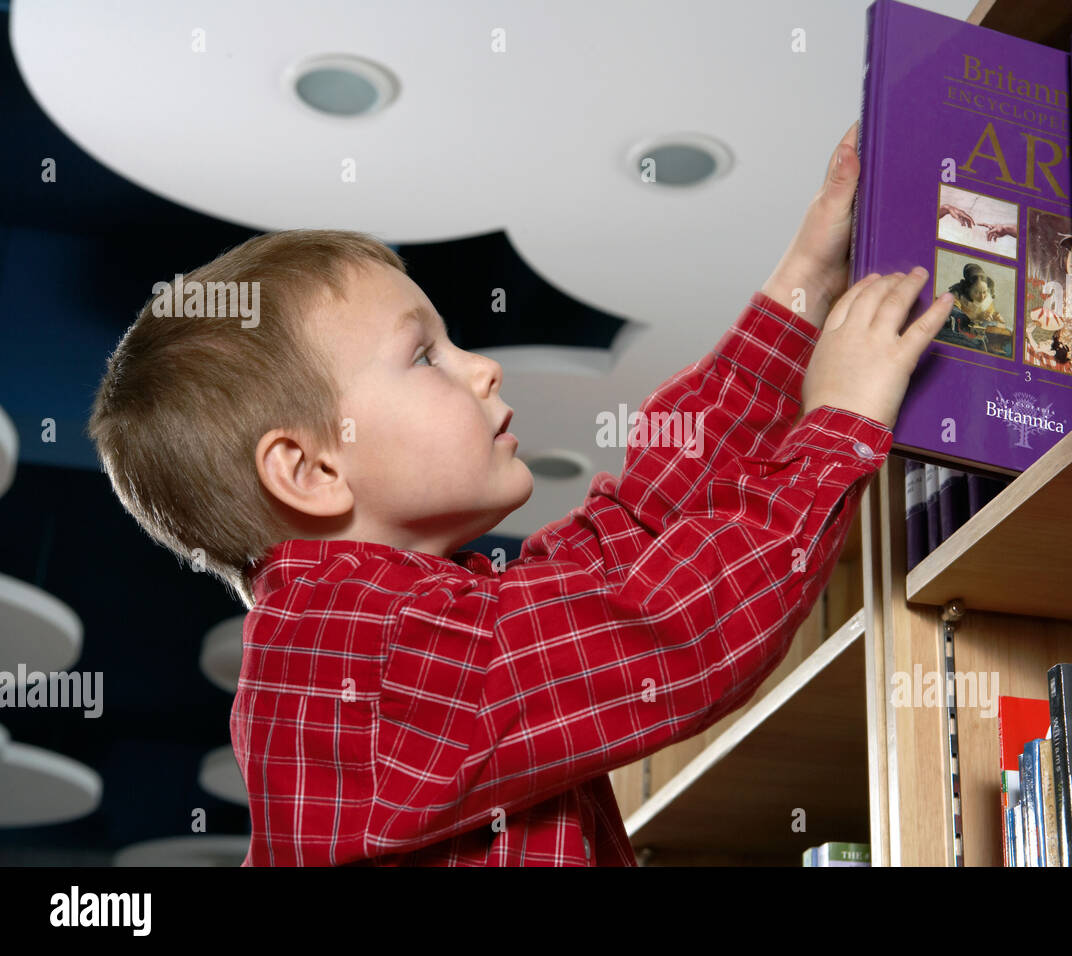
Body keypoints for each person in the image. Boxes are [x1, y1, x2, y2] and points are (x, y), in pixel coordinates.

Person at [86, 125, 950, 866]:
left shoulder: (436, 628)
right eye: (425, 356)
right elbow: (669, 628)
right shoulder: (358, 657)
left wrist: (804, 278)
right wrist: (834, 425)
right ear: (312, 471)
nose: (483, 364)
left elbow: (629, 535)